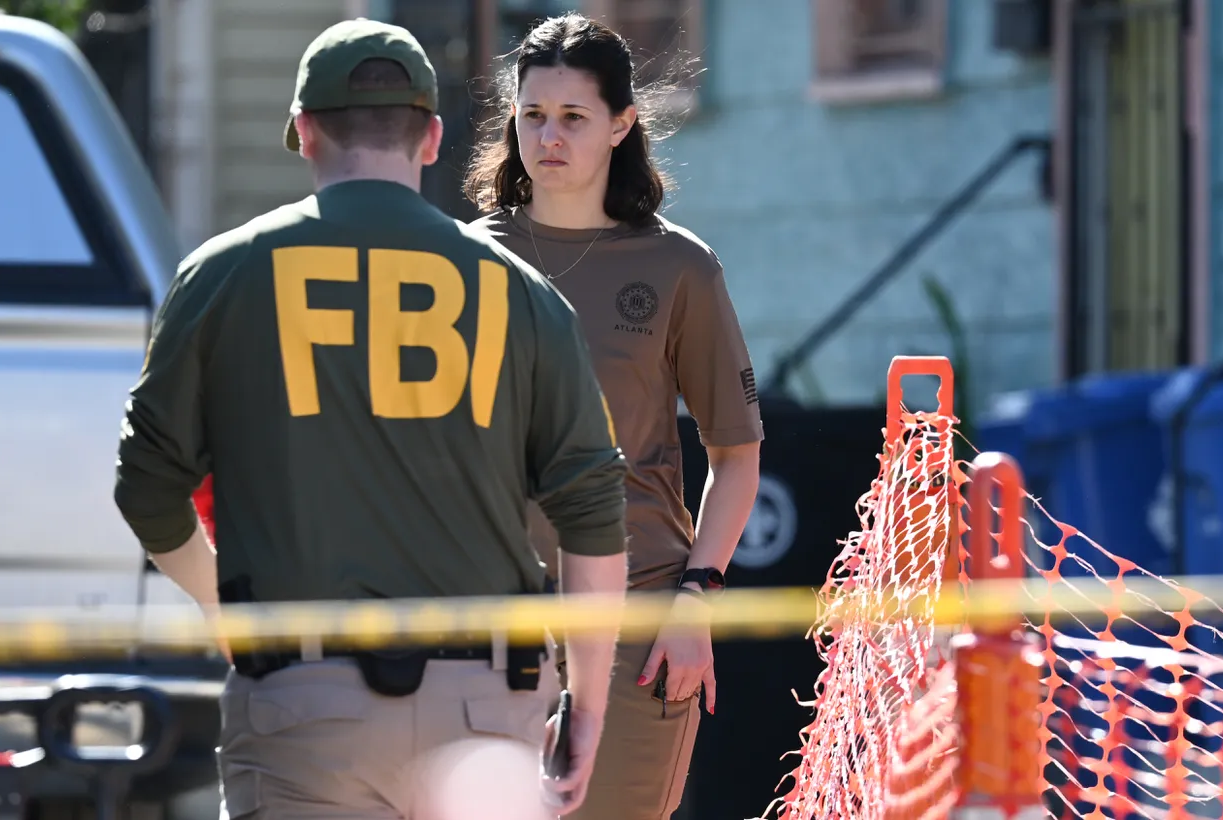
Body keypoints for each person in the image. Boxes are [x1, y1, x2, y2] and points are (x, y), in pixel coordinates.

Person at [113, 18, 629, 819]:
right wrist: (589, 708)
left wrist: (227, 608)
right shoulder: (525, 295)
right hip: (487, 712)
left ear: (305, 132)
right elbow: (594, 518)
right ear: (430, 138)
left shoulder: (222, 276)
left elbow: (146, 487)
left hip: (300, 705)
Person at [464, 13, 764, 819]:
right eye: (531, 114)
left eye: (572, 117)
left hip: (638, 618)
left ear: (622, 124)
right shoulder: (459, 263)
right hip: (486, 628)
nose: (547, 137)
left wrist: (696, 599)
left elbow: (737, 456)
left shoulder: (680, 267)